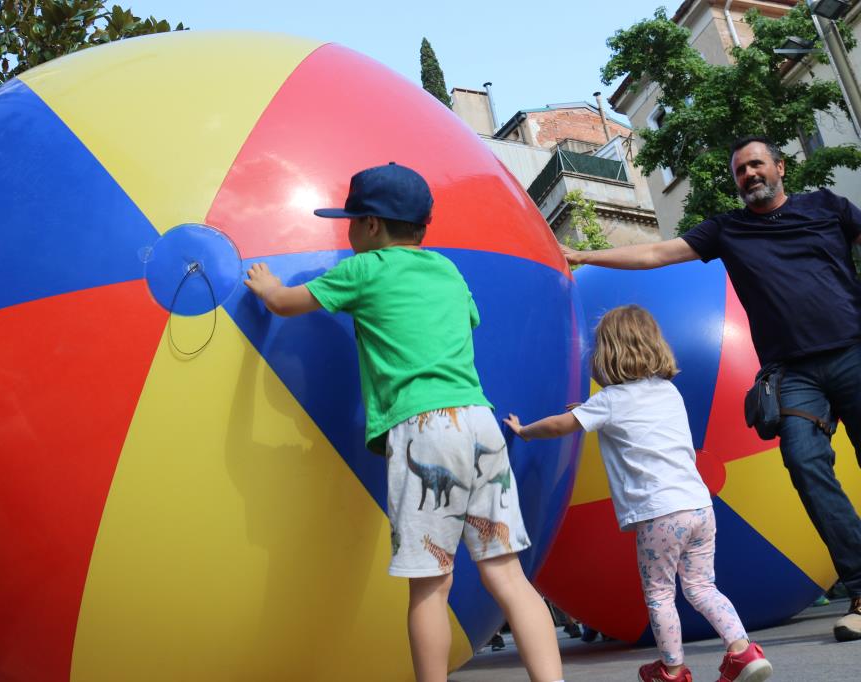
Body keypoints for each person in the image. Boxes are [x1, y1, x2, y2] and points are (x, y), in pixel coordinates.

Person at [244, 163, 564, 682]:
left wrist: (265, 284)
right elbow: (468, 319)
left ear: (371, 225)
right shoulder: (448, 271)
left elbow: (285, 305)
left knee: (431, 584)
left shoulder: (363, 270)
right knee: (507, 576)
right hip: (480, 424)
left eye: (349, 221)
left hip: (424, 430)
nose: (345, 232)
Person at [563, 135, 861, 643]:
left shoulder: (826, 207)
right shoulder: (730, 231)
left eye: (757, 165)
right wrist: (579, 253)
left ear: (780, 168)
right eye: (740, 170)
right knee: (804, 462)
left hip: (852, 350)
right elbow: (658, 252)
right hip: (793, 373)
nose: (749, 175)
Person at [505, 305, 772, 682]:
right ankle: (743, 651)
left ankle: (673, 669)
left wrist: (525, 430)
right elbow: (640, 420)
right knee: (701, 586)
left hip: (659, 513)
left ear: (607, 354)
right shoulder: (668, 391)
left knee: (660, 594)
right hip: (698, 506)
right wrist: (591, 409)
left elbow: (561, 426)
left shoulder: (610, 401)